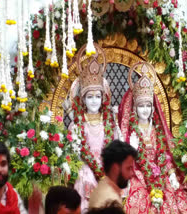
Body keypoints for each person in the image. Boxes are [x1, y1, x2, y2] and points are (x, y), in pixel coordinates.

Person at [118, 62, 187, 213]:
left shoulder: (156, 130)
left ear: (153, 108)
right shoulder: (131, 130)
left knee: (175, 198)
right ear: (135, 108)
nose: (145, 110)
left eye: (148, 106)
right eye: (141, 106)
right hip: (138, 176)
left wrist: (171, 175)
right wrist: (132, 150)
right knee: (138, 199)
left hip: (160, 173)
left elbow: (164, 155)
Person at [66, 43, 121, 212]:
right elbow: (74, 153)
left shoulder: (109, 123)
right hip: (86, 167)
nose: (94, 101)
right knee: (87, 178)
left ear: (103, 98)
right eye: (90, 97)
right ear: (83, 99)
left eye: (98, 96)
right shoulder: (77, 125)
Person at [88, 140, 137, 209]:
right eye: (128, 168)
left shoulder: (106, 187)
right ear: (115, 168)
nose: (132, 173)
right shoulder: (108, 201)